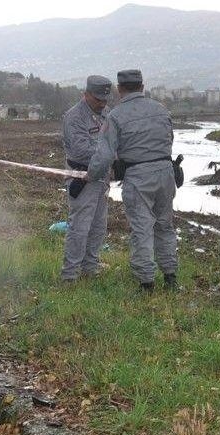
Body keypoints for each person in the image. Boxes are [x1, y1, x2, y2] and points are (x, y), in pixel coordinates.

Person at [87, 69, 178, 292]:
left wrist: (92, 174)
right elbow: (169, 139)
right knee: (165, 225)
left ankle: (146, 283)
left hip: (138, 177)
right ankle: (171, 278)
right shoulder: (161, 109)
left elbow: (105, 154)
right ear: (142, 86)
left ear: (119, 90)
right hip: (166, 173)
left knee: (142, 229)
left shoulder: (115, 116)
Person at [60, 75, 113, 282]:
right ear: (86, 94)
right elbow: (81, 149)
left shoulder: (106, 115)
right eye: (98, 99)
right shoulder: (74, 117)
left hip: (101, 177)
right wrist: (110, 152)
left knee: (98, 226)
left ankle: (90, 267)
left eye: (105, 100)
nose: (102, 103)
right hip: (81, 177)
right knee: (79, 227)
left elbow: (113, 140)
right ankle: (70, 274)